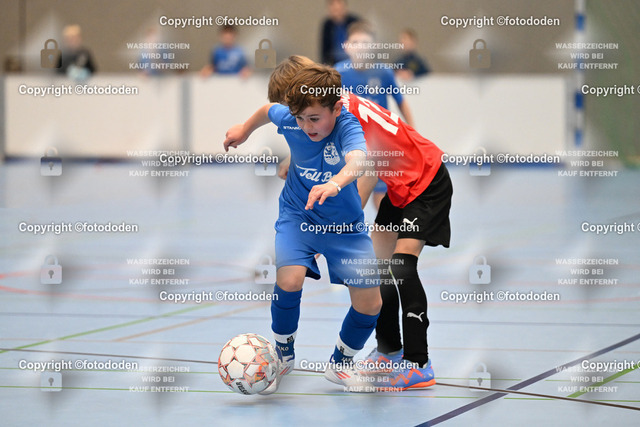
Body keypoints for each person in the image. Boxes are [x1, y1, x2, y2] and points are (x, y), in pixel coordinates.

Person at [270, 56, 452, 390]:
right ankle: (389, 351)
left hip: (426, 180)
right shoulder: (337, 103)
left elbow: (363, 173)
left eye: (301, 111)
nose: (299, 121)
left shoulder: (347, 120)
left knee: (401, 266)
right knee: (376, 267)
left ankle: (418, 362)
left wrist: (340, 227)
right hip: (400, 184)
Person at [223, 64, 382, 393]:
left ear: (336, 109)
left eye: (314, 119)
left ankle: (341, 364)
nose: (306, 126)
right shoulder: (290, 118)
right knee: (289, 280)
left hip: (345, 226)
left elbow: (359, 161)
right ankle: (282, 355)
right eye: (300, 119)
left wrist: (335, 184)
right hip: (299, 215)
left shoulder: (347, 126)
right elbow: (268, 110)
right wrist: (245, 130)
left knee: (371, 304)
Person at [335, 21, 415, 128]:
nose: (360, 47)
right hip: (349, 131)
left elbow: (401, 102)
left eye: (365, 43)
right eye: (355, 42)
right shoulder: (337, 72)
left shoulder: (384, 72)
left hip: (380, 131)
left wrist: (413, 130)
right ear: (346, 46)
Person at [320, 0, 360, 65]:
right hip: (334, 62)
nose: (337, 10)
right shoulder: (327, 25)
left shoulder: (355, 22)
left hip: (352, 60)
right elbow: (324, 50)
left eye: (339, 8)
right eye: (334, 9)